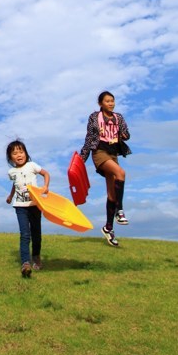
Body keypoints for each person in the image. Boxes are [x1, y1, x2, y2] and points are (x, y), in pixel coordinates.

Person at [79, 91, 132, 247]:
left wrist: (123, 135)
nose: (111, 103)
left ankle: (108, 228)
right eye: (107, 101)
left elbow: (127, 134)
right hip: (100, 152)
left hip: (113, 153)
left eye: (112, 101)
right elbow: (89, 138)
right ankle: (119, 211)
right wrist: (82, 159)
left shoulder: (119, 118)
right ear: (100, 103)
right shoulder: (94, 117)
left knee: (111, 194)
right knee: (121, 173)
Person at [5, 139, 50, 278]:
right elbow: (15, 184)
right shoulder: (11, 171)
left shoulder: (32, 165)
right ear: (10, 157)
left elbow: (46, 174)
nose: (19, 155)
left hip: (35, 205)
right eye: (15, 153)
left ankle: (36, 256)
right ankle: (25, 263)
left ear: (26, 153)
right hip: (20, 206)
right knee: (25, 234)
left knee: (36, 233)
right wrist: (10, 195)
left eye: (21, 151)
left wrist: (45, 187)